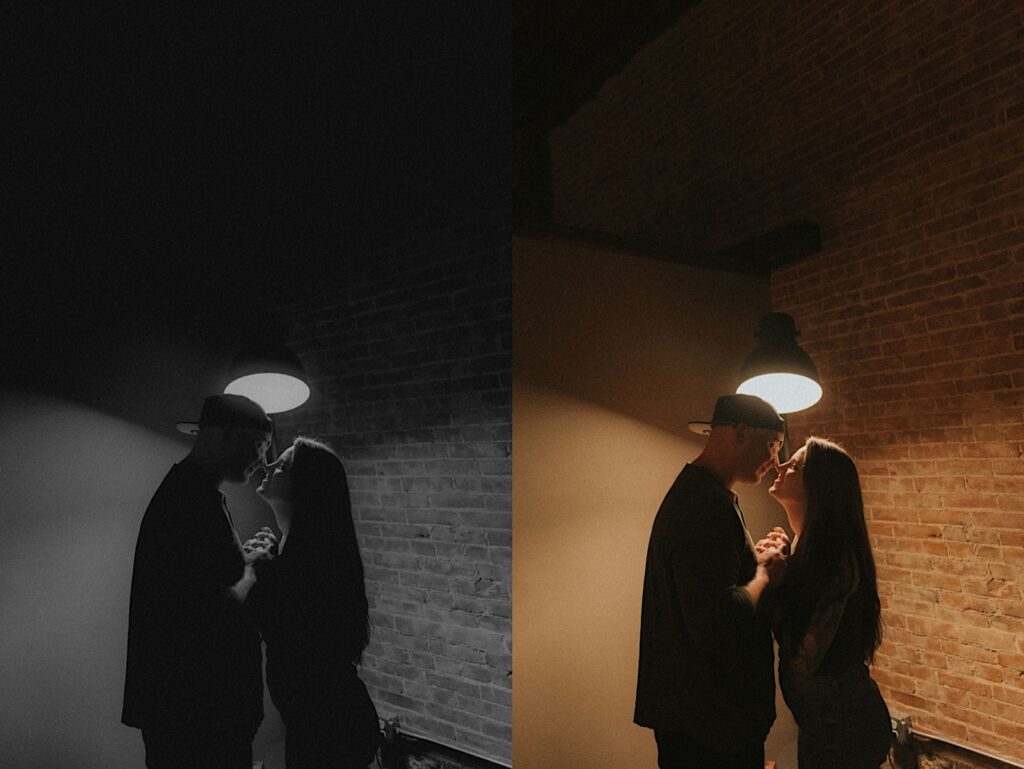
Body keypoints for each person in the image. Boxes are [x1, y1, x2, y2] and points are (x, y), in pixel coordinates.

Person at [634, 393, 790, 769]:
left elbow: (716, 584)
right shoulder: (702, 506)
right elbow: (713, 620)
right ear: (739, 432)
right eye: (772, 445)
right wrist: (765, 574)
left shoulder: (708, 497)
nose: (775, 461)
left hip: (705, 720)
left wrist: (754, 563)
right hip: (708, 729)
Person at [122, 394, 273, 769]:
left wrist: (243, 562)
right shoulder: (188, 502)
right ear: (224, 434)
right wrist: (251, 574)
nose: (262, 460)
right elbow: (205, 613)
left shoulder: (191, 494)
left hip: (192, 714)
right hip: (198, 718)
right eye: (259, 445)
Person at [248, 436, 380, 769]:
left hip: (329, 728)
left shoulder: (310, 563)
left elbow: (285, 627)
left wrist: (258, 572)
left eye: (285, 464)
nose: (270, 465)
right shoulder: (302, 555)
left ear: (306, 486)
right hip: (324, 723)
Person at [762, 436, 891, 768]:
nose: (782, 465)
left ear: (819, 486)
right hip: (823, 726)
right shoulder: (809, 549)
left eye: (797, 464)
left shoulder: (836, 562)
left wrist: (771, 583)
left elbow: (804, 660)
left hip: (846, 730)